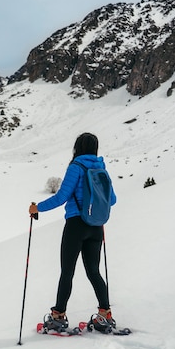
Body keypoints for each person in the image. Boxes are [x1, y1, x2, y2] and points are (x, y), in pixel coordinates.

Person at [28, 132, 117, 332]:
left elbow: (61, 197)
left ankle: (58, 317)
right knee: (94, 272)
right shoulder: (102, 168)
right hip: (96, 225)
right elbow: (112, 200)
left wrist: (37, 208)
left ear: (77, 147)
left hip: (76, 225)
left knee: (67, 272)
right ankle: (105, 315)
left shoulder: (76, 167)